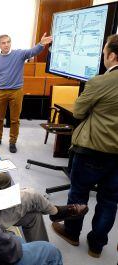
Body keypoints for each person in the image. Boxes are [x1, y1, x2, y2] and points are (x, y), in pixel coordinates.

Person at [51, 34, 118, 258]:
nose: (103, 57)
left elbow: (78, 111)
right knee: (109, 200)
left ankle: (71, 232)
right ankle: (96, 246)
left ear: (112, 55)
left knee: (78, 194)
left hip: (93, 149)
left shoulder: (101, 81)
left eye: (104, 52)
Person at [0, 33, 53, 153]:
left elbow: (32, 52)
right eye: (3, 43)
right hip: (0, 92)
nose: (6, 45)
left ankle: (12, 142)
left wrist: (41, 44)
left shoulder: (19, 54)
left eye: (8, 42)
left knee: (15, 119)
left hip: (16, 92)